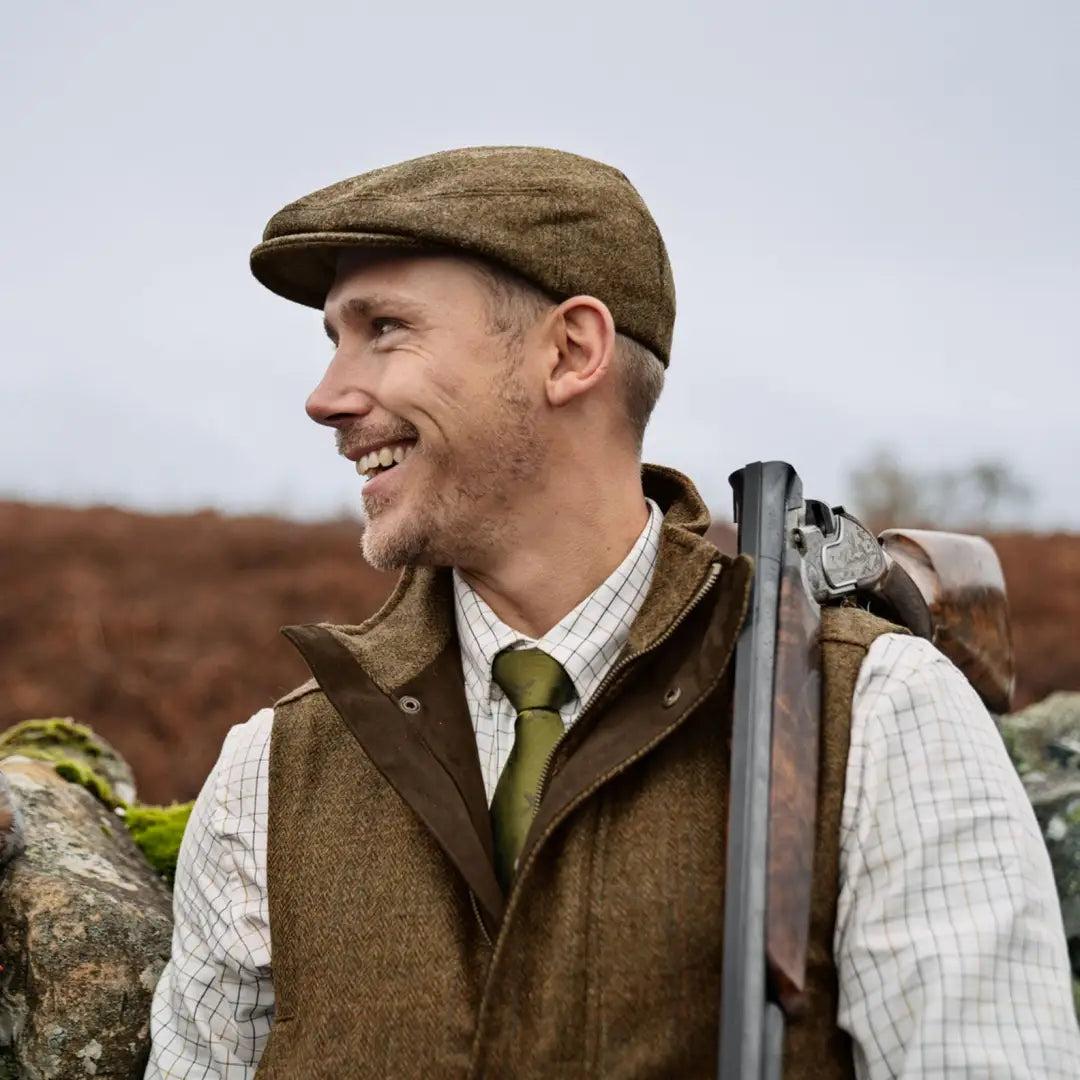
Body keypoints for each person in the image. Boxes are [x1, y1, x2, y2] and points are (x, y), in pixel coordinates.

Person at [145, 146, 1078, 1080]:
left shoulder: (879, 714)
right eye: (333, 341)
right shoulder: (269, 776)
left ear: (571, 351)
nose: (327, 398)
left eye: (384, 329)